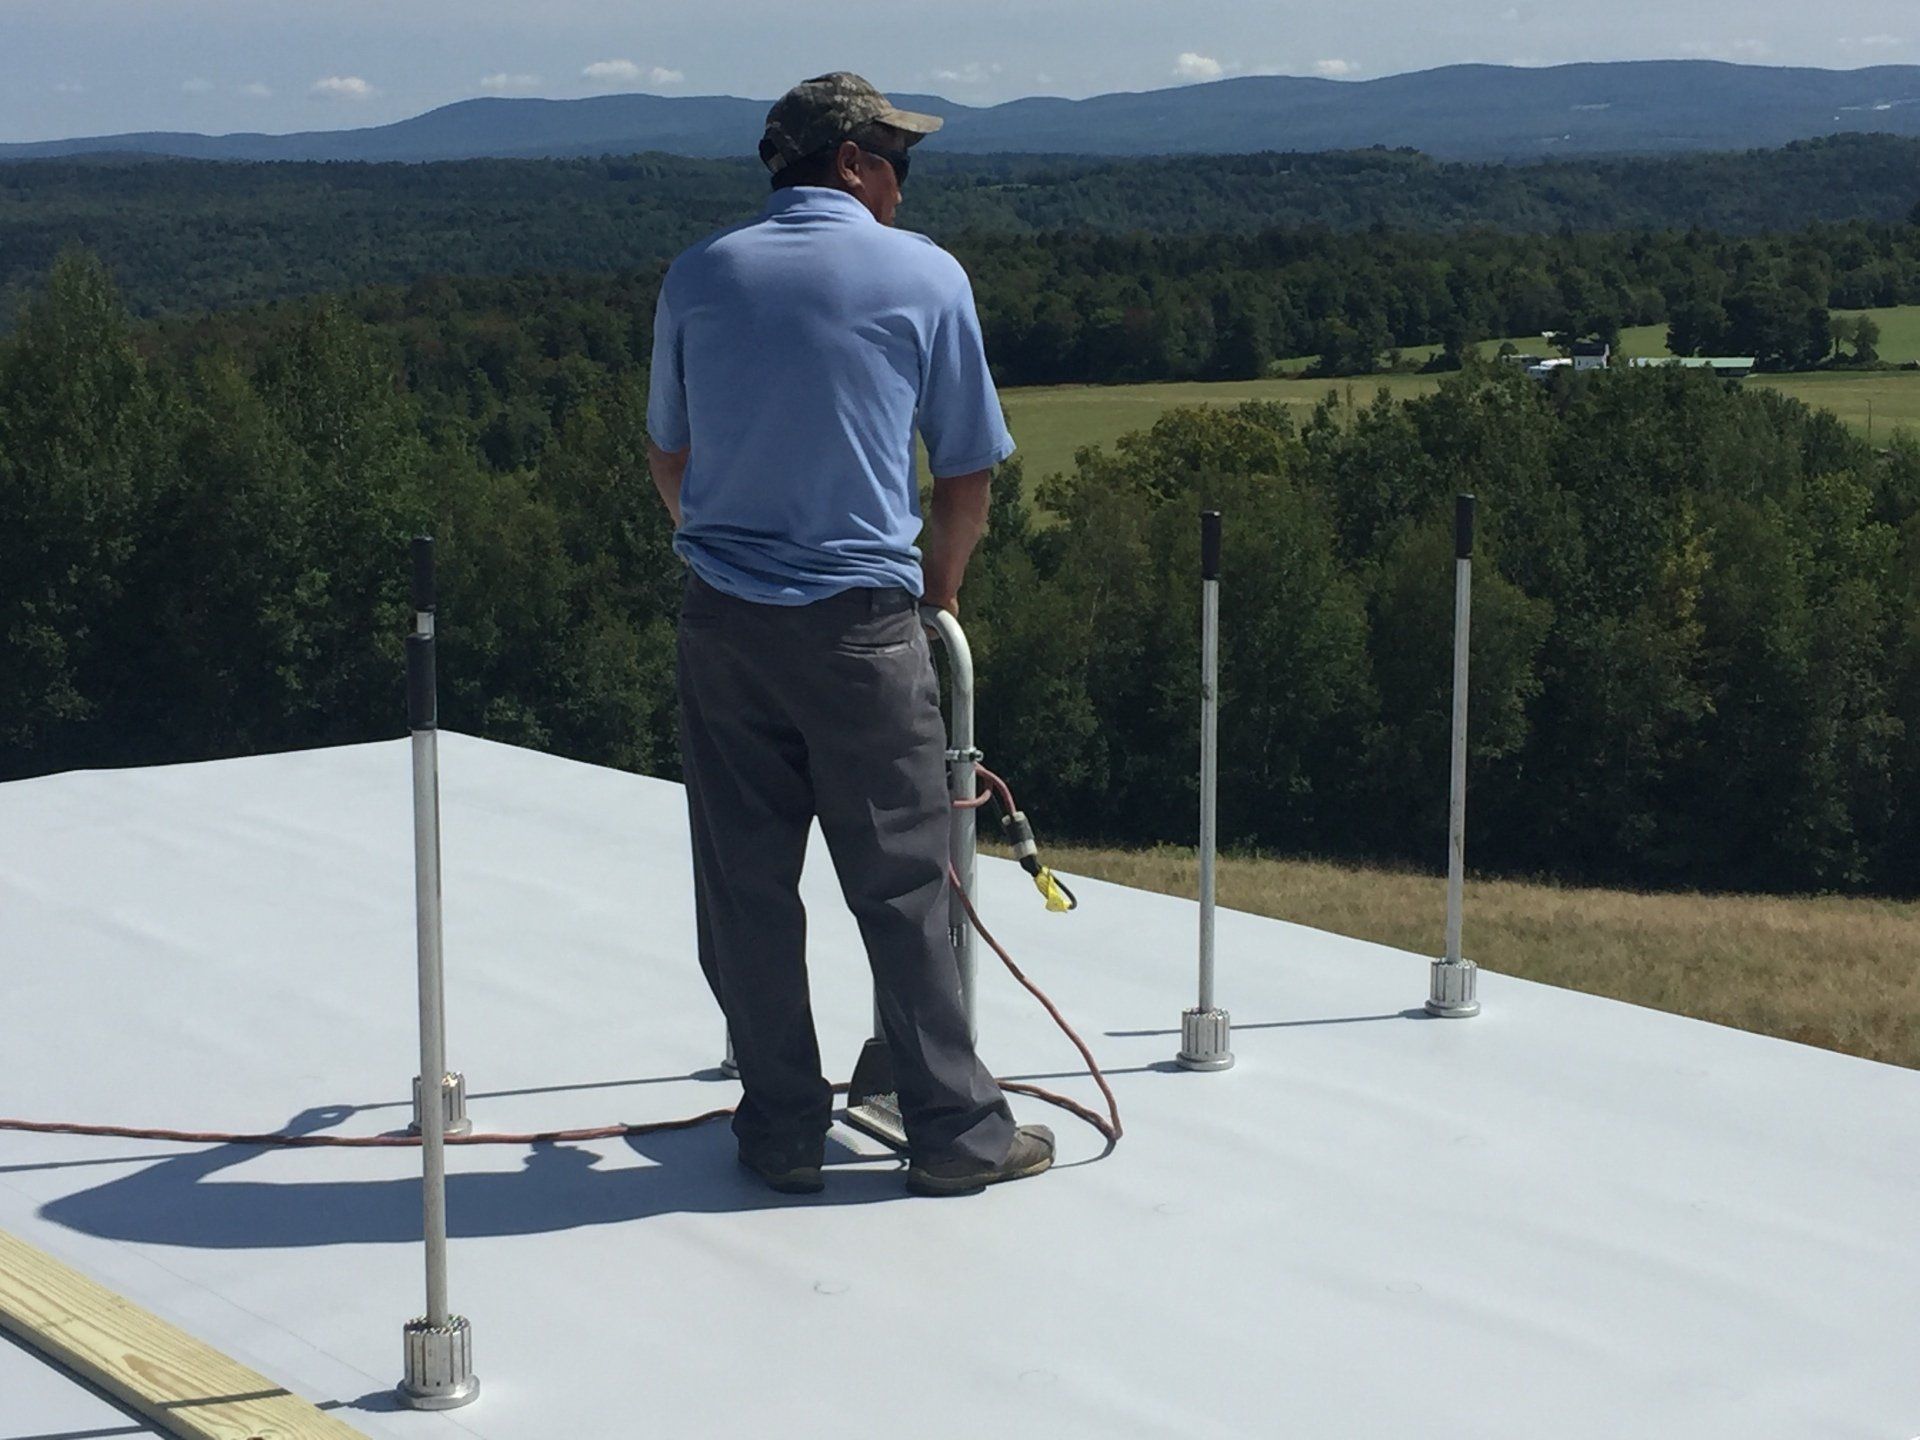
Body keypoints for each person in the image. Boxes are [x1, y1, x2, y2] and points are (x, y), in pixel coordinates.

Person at [644, 72, 1053, 1198]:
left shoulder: (698, 274)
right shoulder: (923, 275)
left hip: (724, 631)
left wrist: (723, 558)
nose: (902, 187)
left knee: (745, 889)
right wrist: (941, 594)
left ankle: (782, 1129)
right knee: (905, 888)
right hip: (863, 634)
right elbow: (965, 474)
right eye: (896, 163)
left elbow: (670, 455)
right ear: (853, 163)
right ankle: (954, 1134)